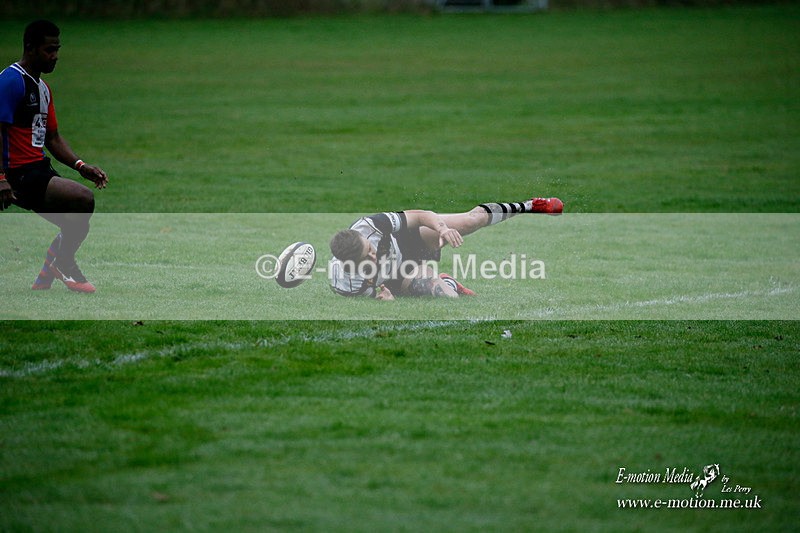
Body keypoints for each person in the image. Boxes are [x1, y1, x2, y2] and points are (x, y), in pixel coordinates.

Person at [0, 20, 108, 293]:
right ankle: (61, 265)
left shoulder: (43, 88)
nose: (55, 56)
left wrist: (80, 166)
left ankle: (51, 271)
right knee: (82, 201)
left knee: (76, 218)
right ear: (31, 49)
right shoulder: (11, 81)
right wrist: (1, 178)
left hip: (37, 169)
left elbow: (53, 138)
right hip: (17, 173)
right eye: (50, 50)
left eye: (57, 49)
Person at [328, 196, 563, 300]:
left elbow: (420, 216)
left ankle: (529, 205)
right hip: (400, 275)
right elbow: (380, 294)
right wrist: (386, 298)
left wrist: (442, 229)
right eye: (367, 257)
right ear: (350, 265)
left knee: (472, 220)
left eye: (370, 248)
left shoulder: (369, 226)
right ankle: (449, 281)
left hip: (407, 240)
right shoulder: (348, 285)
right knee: (445, 295)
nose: (373, 253)